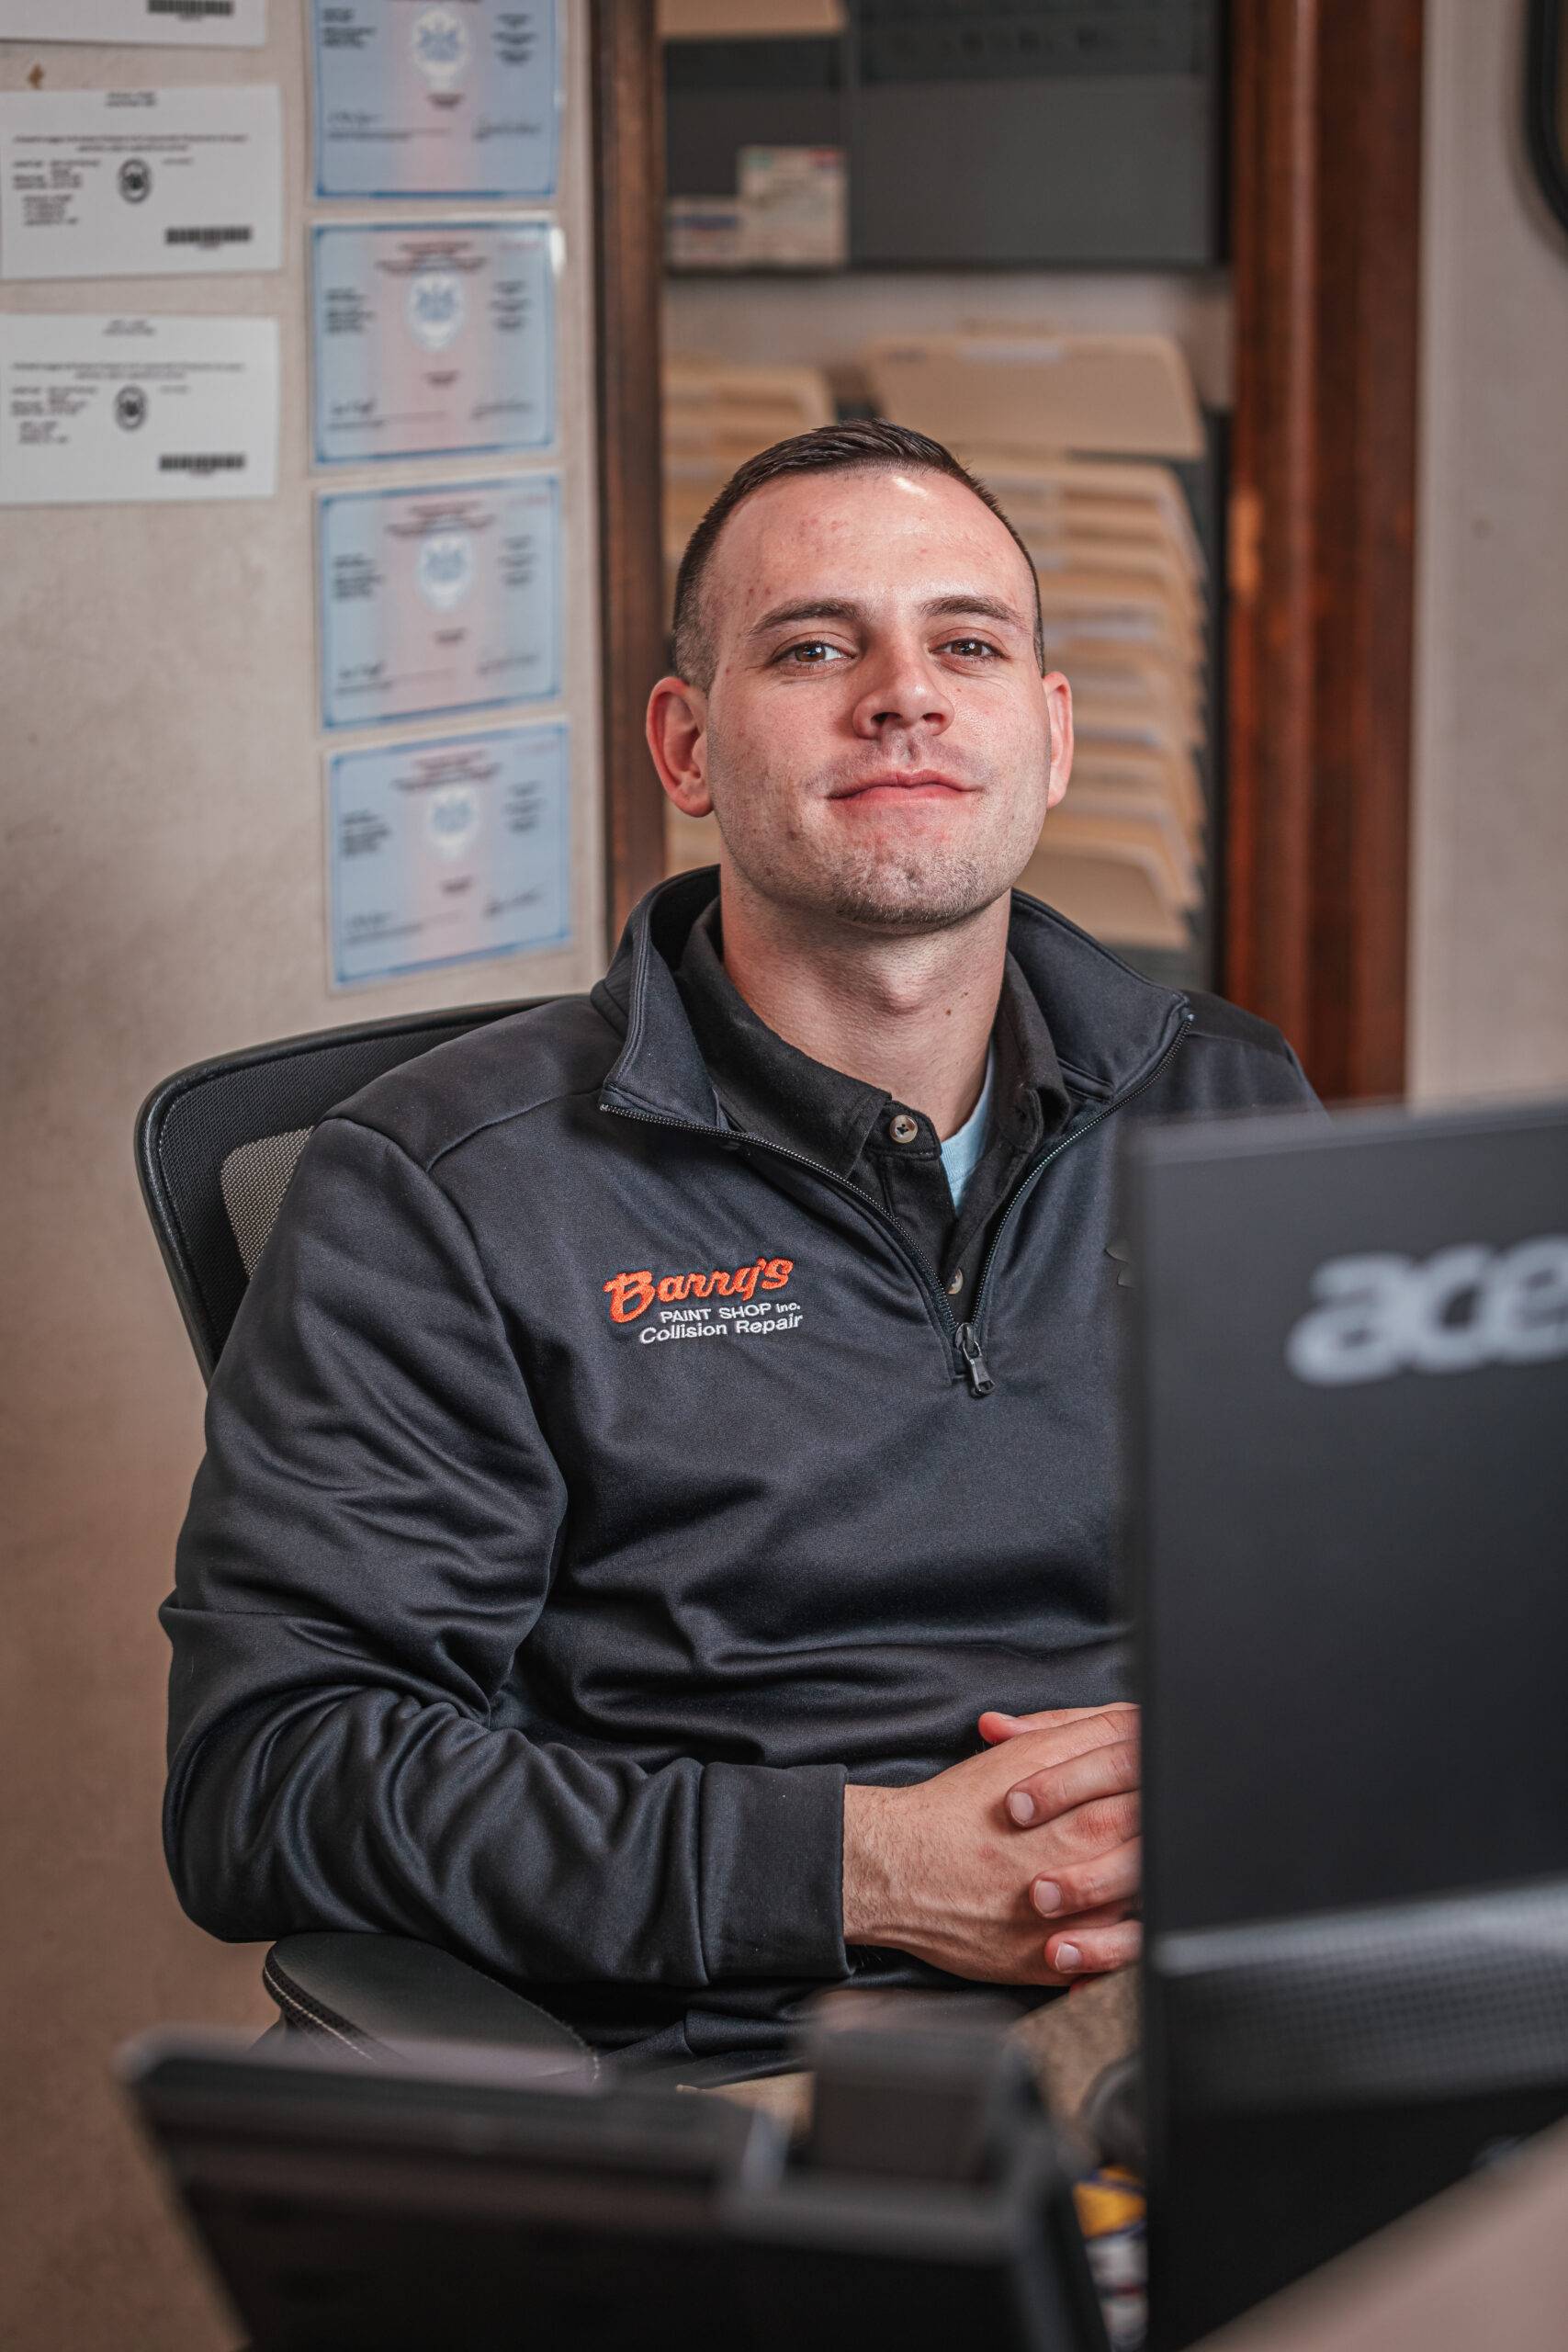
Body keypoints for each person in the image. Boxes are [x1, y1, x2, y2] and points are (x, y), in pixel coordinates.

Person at [162, 422, 1316, 2082]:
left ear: (1048, 737)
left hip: (1235, 1995)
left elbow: (1369, 1607)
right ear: (687, 745)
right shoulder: (446, 1185)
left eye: (968, 643)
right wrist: (869, 1869)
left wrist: (1242, 1767)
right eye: (816, 644)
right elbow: (270, 1776)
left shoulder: (1222, 1094)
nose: (905, 692)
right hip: (781, 2056)